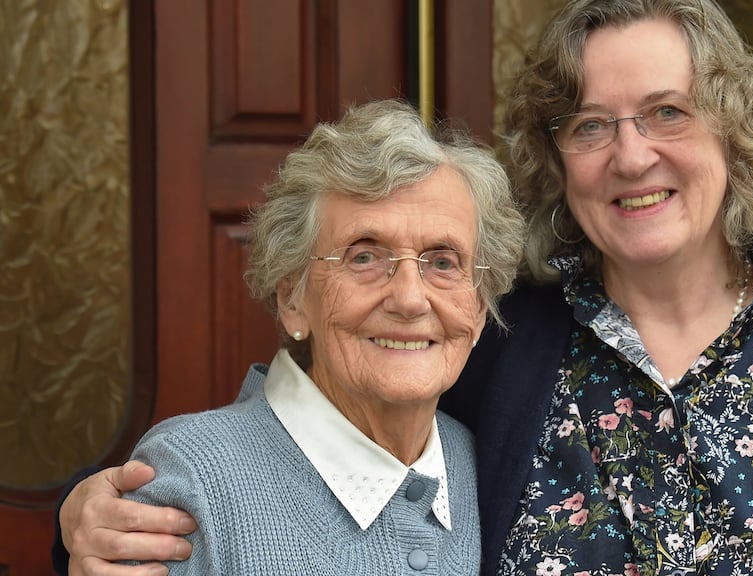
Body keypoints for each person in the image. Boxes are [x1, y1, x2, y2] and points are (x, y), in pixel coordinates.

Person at [53, 0, 753, 575]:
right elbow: (328, 446)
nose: (630, 153)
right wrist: (94, 519)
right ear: (555, 155)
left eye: (666, 112)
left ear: (734, 132)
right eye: (590, 123)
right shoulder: (502, 348)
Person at [53, 98, 525, 575]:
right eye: (364, 257)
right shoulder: (191, 479)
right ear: (293, 298)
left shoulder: (479, 463)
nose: (409, 298)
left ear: (480, 306)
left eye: (443, 262)